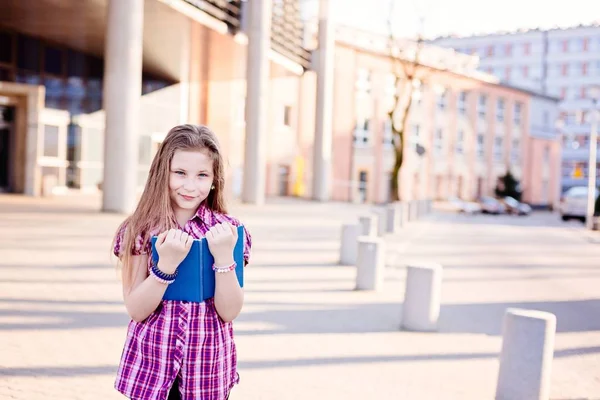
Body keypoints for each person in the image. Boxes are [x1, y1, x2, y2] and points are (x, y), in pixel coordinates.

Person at [112, 124, 252, 400]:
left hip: (206, 372)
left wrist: (224, 257)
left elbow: (229, 311)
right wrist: (164, 268)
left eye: (202, 175)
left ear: (215, 179)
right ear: (162, 173)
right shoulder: (140, 229)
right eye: (180, 173)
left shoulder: (229, 231)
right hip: (152, 369)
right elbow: (136, 309)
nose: (190, 186)